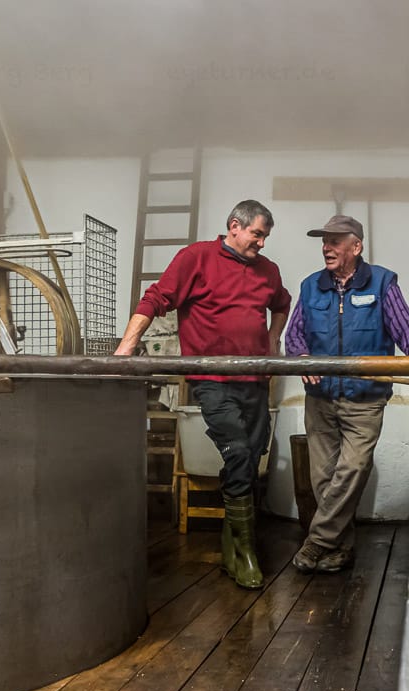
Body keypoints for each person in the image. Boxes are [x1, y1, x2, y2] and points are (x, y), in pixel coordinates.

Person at [115, 199, 291, 589]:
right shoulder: (196, 258)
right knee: (239, 451)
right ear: (234, 226)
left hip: (256, 380)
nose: (262, 243)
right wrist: (128, 346)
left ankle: (232, 549)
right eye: (257, 234)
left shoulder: (268, 271)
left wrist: (273, 338)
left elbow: (282, 302)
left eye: (265, 236)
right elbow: (156, 298)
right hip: (212, 380)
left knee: (250, 458)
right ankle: (246, 553)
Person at [284, 215, 409, 573]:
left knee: (353, 469)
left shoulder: (383, 282)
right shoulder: (311, 286)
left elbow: (407, 329)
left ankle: (317, 543)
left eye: (335, 241)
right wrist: (302, 357)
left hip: (365, 397)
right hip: (320, 397)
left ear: (356, 247)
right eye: (324, 241)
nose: (327, 247)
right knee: (323, 479)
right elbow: (294, 335)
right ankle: (340, 549)